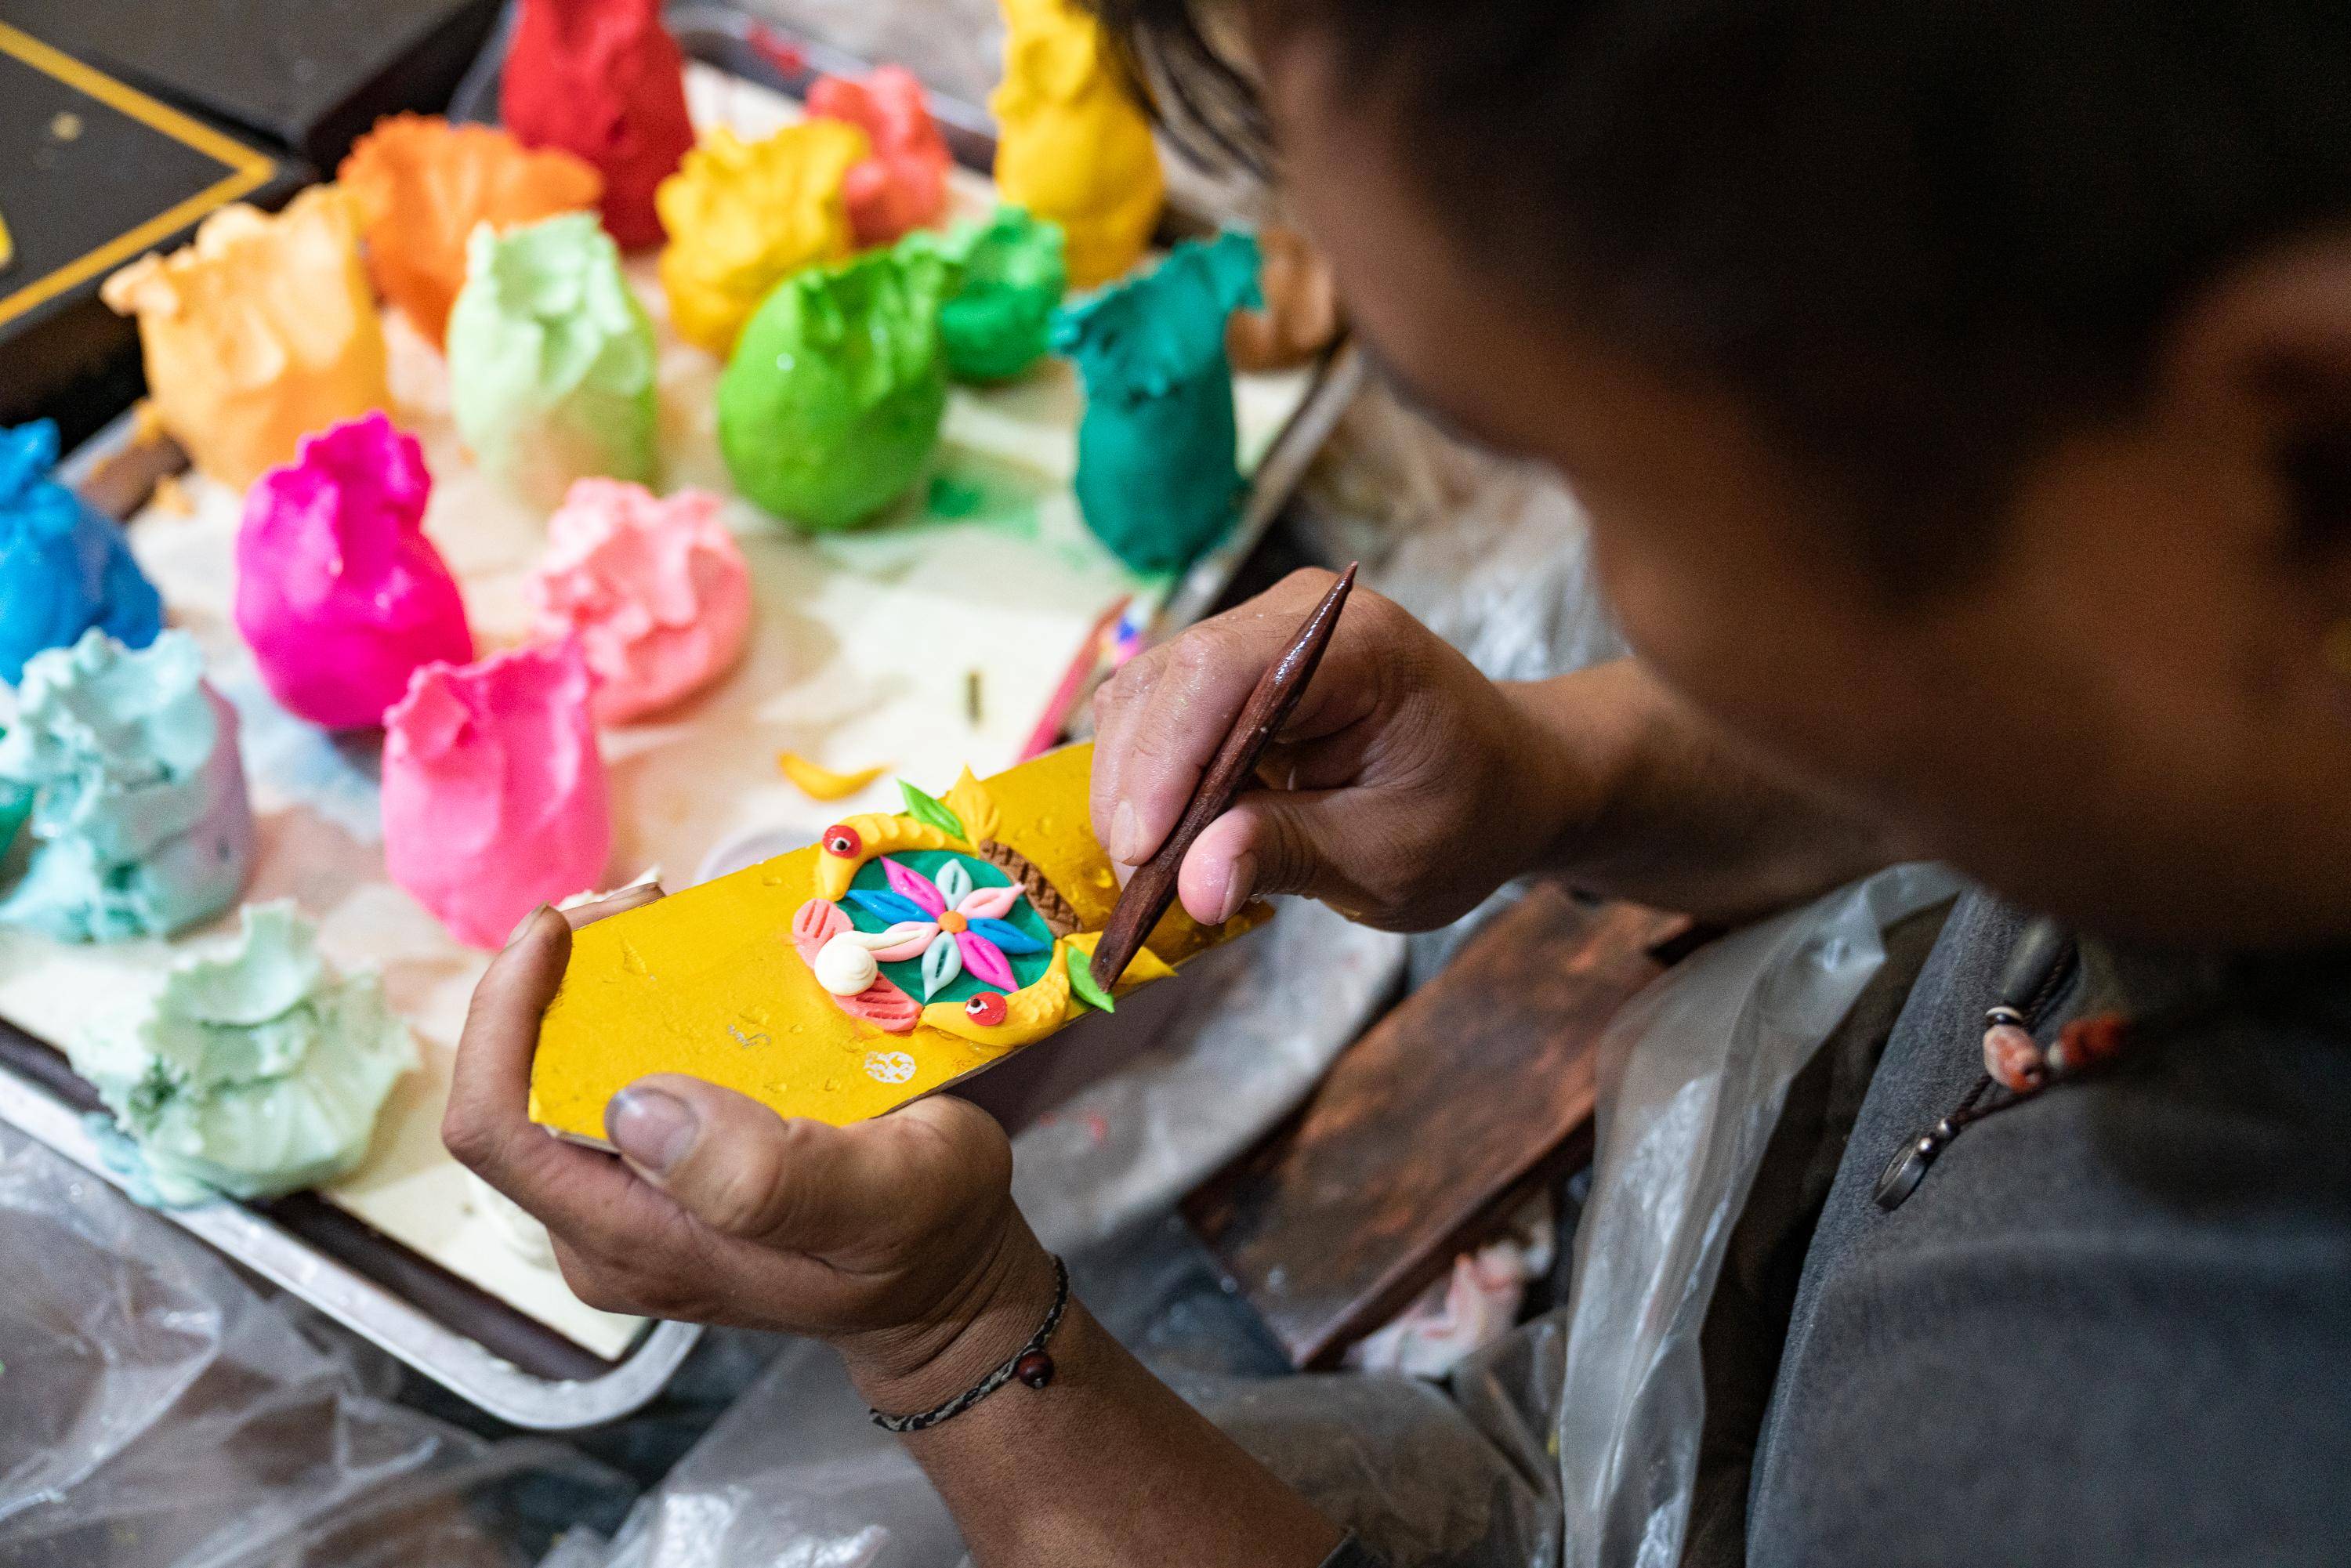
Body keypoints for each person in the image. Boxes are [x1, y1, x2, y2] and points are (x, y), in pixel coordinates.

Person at [445, 2, 2351, 1563]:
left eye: (1615, 482)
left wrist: (950, 1331)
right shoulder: (2226, 670)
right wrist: (1561, 769)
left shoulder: (2181, 1455)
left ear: (2287, 438)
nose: (1604, 592)